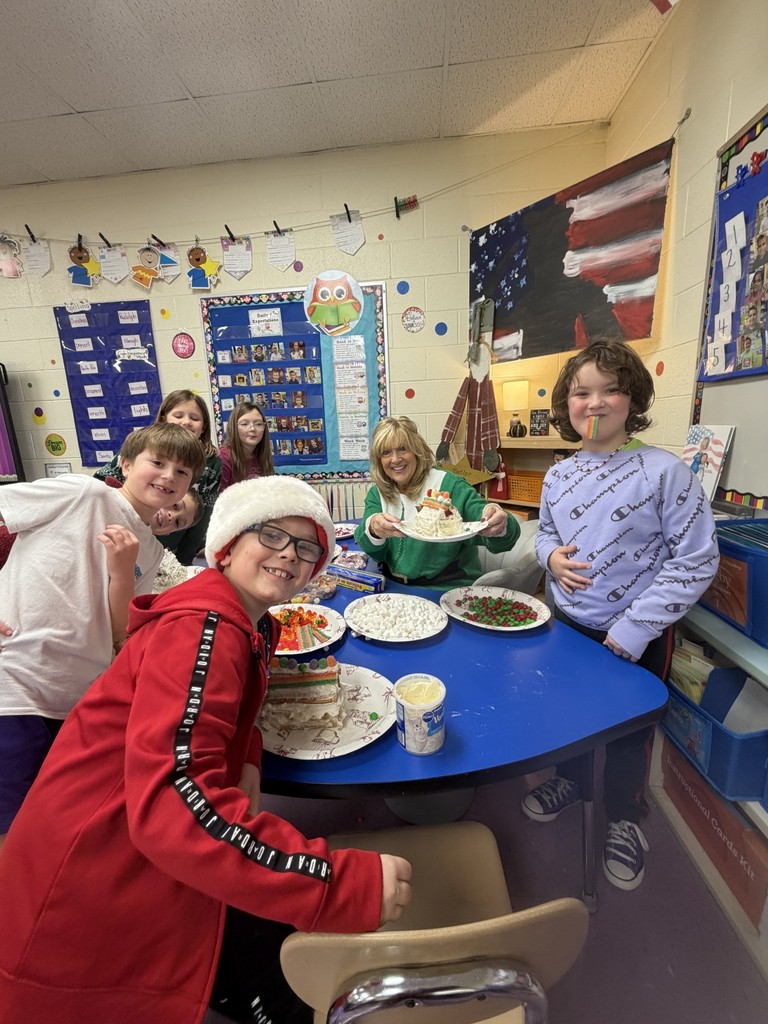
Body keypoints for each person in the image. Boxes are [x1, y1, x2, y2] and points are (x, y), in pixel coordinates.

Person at [0, 476, 412, 1023]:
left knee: (260, 947)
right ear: (227, 546)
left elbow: (222, 713)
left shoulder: (245, 621)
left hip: (128, 837)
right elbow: (172, 807)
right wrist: (336, 884)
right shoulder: (203, 629)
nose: (290, 554)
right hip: (91, 875)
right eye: (271, 535)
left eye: (307, 548)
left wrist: (247, 754)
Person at [521, 341, 719, 891]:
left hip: (638, 632)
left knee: (630, 730)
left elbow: (696, 560)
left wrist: (635, 628)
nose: (595, 403)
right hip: (568, 624)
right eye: (582, 392)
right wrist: (549, 557)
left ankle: (625, 816)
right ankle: (570, 779)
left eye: (610, 390)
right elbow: (548, 533)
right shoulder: (559, 475)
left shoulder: (664, 472)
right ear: (566, 403)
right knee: (568, 712)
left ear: (632, 399)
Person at [0, 422, 206, 846]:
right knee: (11, 824)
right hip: (16, 678)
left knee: (50, 823)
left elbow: (119, 627)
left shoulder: (151, 550)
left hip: (76, 699)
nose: (169, 476)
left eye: (182, 472)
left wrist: (122, 570)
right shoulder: (84, 493)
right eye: (157, 462)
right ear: (125, 464)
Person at [355, 416, 519, 589]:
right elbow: (374, 552)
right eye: (386, 452)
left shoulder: (450, 485)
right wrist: (373, 529)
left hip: (446, 588)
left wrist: (499, 521)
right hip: (394, 586)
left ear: (417, 450)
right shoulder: (378, 493)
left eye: (403, 449)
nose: (395, 459)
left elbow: (503, 539)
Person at [95, 389, 222, 564]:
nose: (186, 422)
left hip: (166, 547)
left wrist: (184, 560)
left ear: (204, 426)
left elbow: (201, 518)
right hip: (120, 532)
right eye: (178, 415)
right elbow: (101, 486)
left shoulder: (212, 463)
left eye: (194, 418)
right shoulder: (142, 448)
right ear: (163, 418)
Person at [218, 401, 274, 493]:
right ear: (234, 427)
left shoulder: (263, 455)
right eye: (244, 424)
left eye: (258, 424)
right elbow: (220, 498)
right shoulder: (223, 458)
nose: (252, 428)